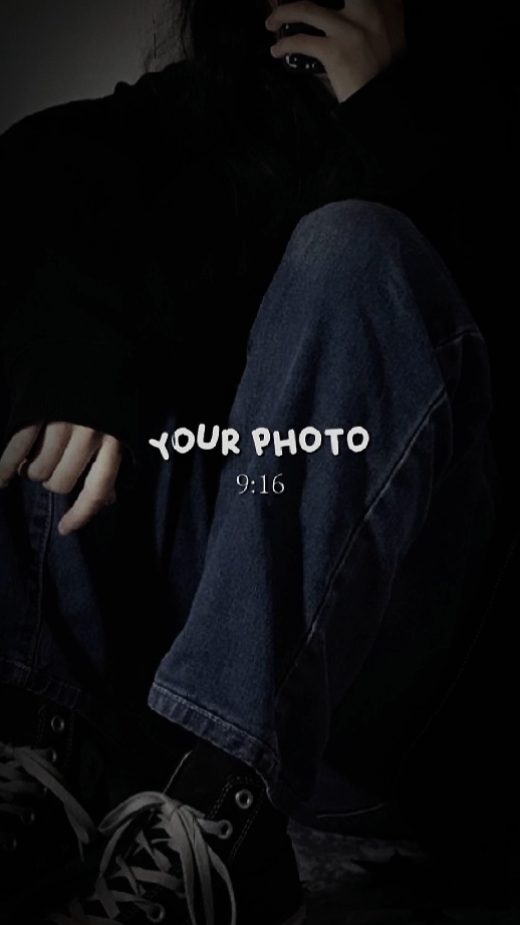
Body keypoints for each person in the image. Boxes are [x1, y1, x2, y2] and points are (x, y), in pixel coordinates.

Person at [0, 1, 513, 922]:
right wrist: (75, 356)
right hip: (171, 696)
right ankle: (47, 760)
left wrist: (395, 111)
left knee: (352, 248)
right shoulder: (222, 108)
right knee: (67, 301)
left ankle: (225, 812)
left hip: (402, 701)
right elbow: (49, 161)